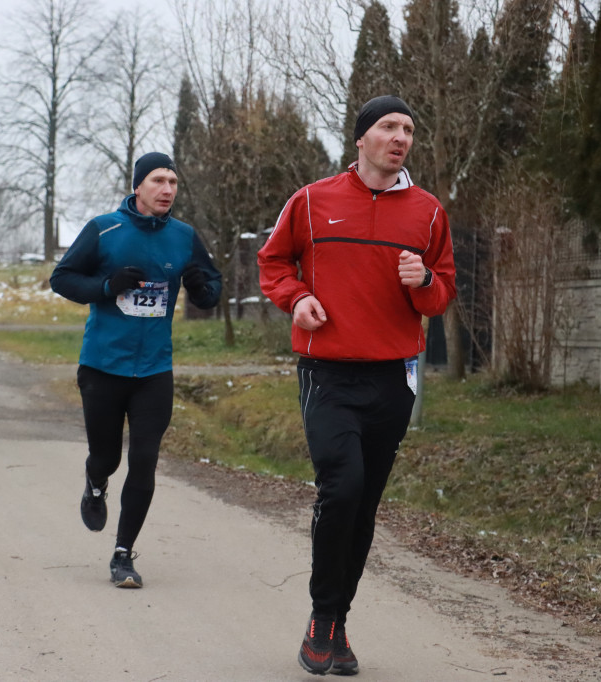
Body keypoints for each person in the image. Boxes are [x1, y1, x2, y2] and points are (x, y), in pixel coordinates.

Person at [257, 95, 456, 676]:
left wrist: (422, 282)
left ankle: (338, 623)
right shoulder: (314, 201)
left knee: (364, 503)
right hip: (329, 373)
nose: (401, 137)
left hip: (393, 378)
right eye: (389, 127)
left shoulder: (428, 213)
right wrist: (298, 299)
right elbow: (274, 264)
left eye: (409, 129)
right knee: (341, 489)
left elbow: (441, 292)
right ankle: (321, 618)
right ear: (362, 138)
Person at [50, 152, 222, 589]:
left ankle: (123, 554)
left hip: (153, 370)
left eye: (173, 182)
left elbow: (211, 287)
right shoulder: (104, 229)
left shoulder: (183, 236)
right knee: (107, 456)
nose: (168, 190)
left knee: (144, 461)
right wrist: (106, 287)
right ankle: (94, 482)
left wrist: (202, 290)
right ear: (138, 187)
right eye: (159, 181)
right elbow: (63, 278)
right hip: (103, 365)